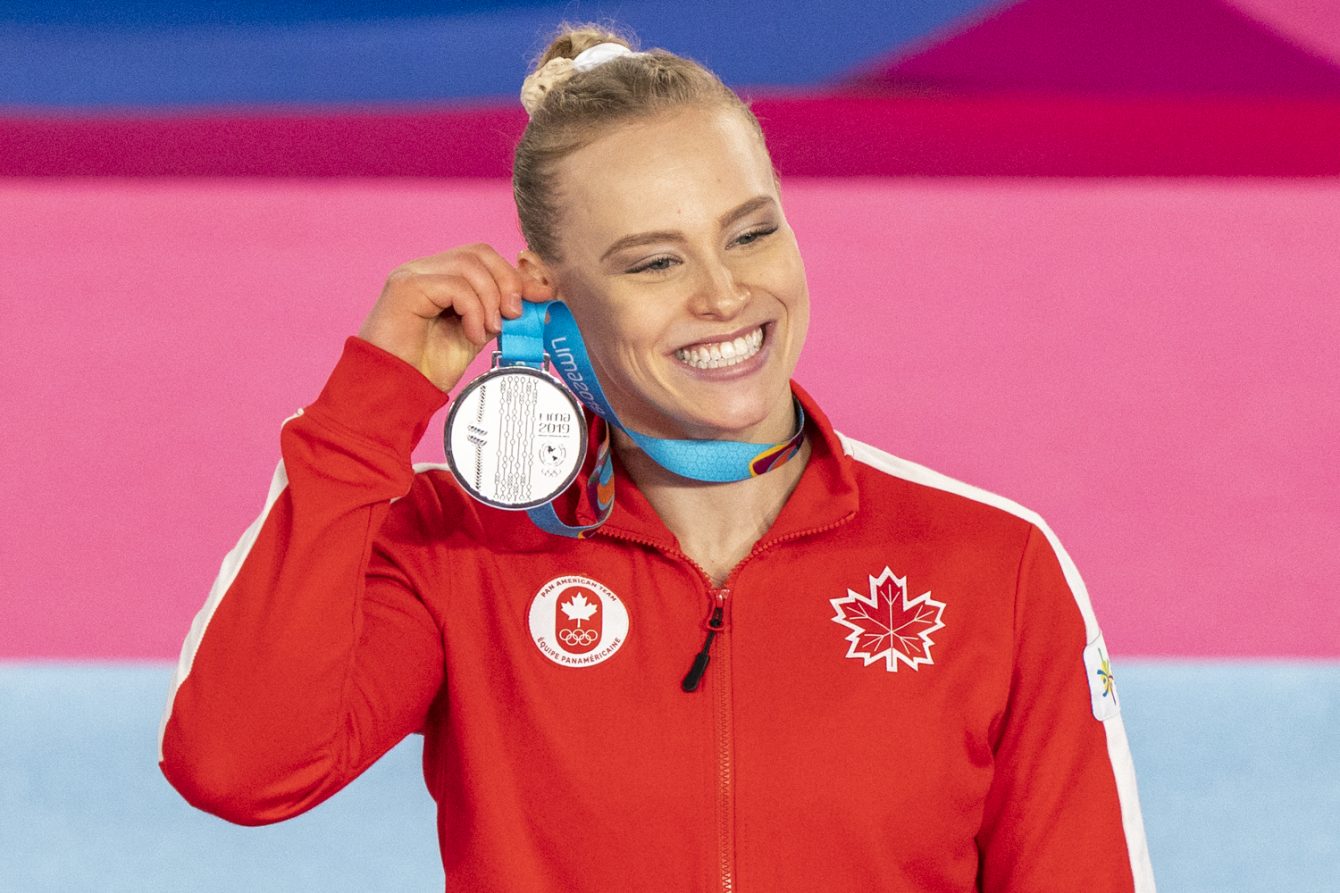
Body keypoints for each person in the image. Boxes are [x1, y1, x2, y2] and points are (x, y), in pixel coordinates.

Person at [159, 24, 1155, 892]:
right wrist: (369, 408)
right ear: (547, 291)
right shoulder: (458, 547)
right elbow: (241, 766)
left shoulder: (991, 563)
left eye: (751, 233)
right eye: (654, 261)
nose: (724, 294)